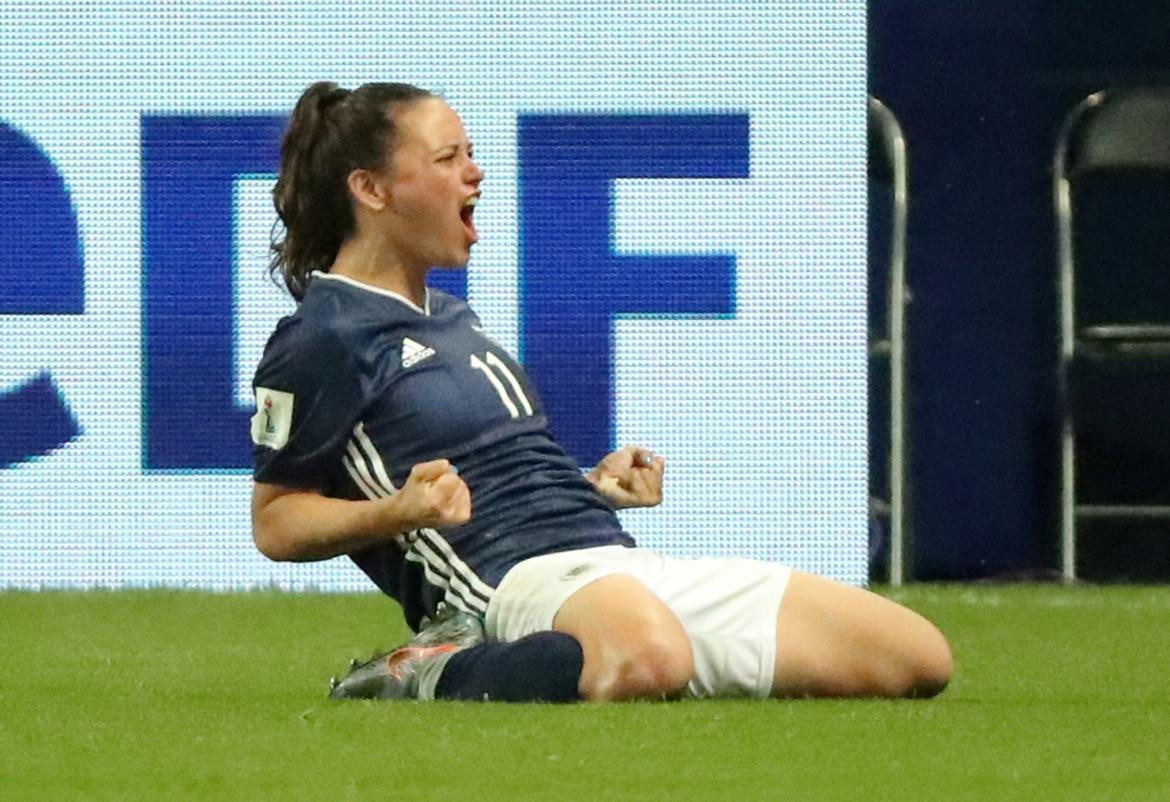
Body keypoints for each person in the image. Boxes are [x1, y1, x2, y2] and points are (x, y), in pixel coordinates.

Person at [250, 81, 952, 703]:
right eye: (448, 158)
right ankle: (429, 673)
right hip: (508, 584)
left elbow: (509, 478)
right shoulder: (323, 335)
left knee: (916, 657)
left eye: (471, 151)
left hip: (613, 563)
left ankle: (597, 658)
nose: (475, 171)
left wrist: (595, 487)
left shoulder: (454, 316)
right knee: (648, 659)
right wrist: (397, 511)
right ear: (371, 190)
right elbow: (276, 521)